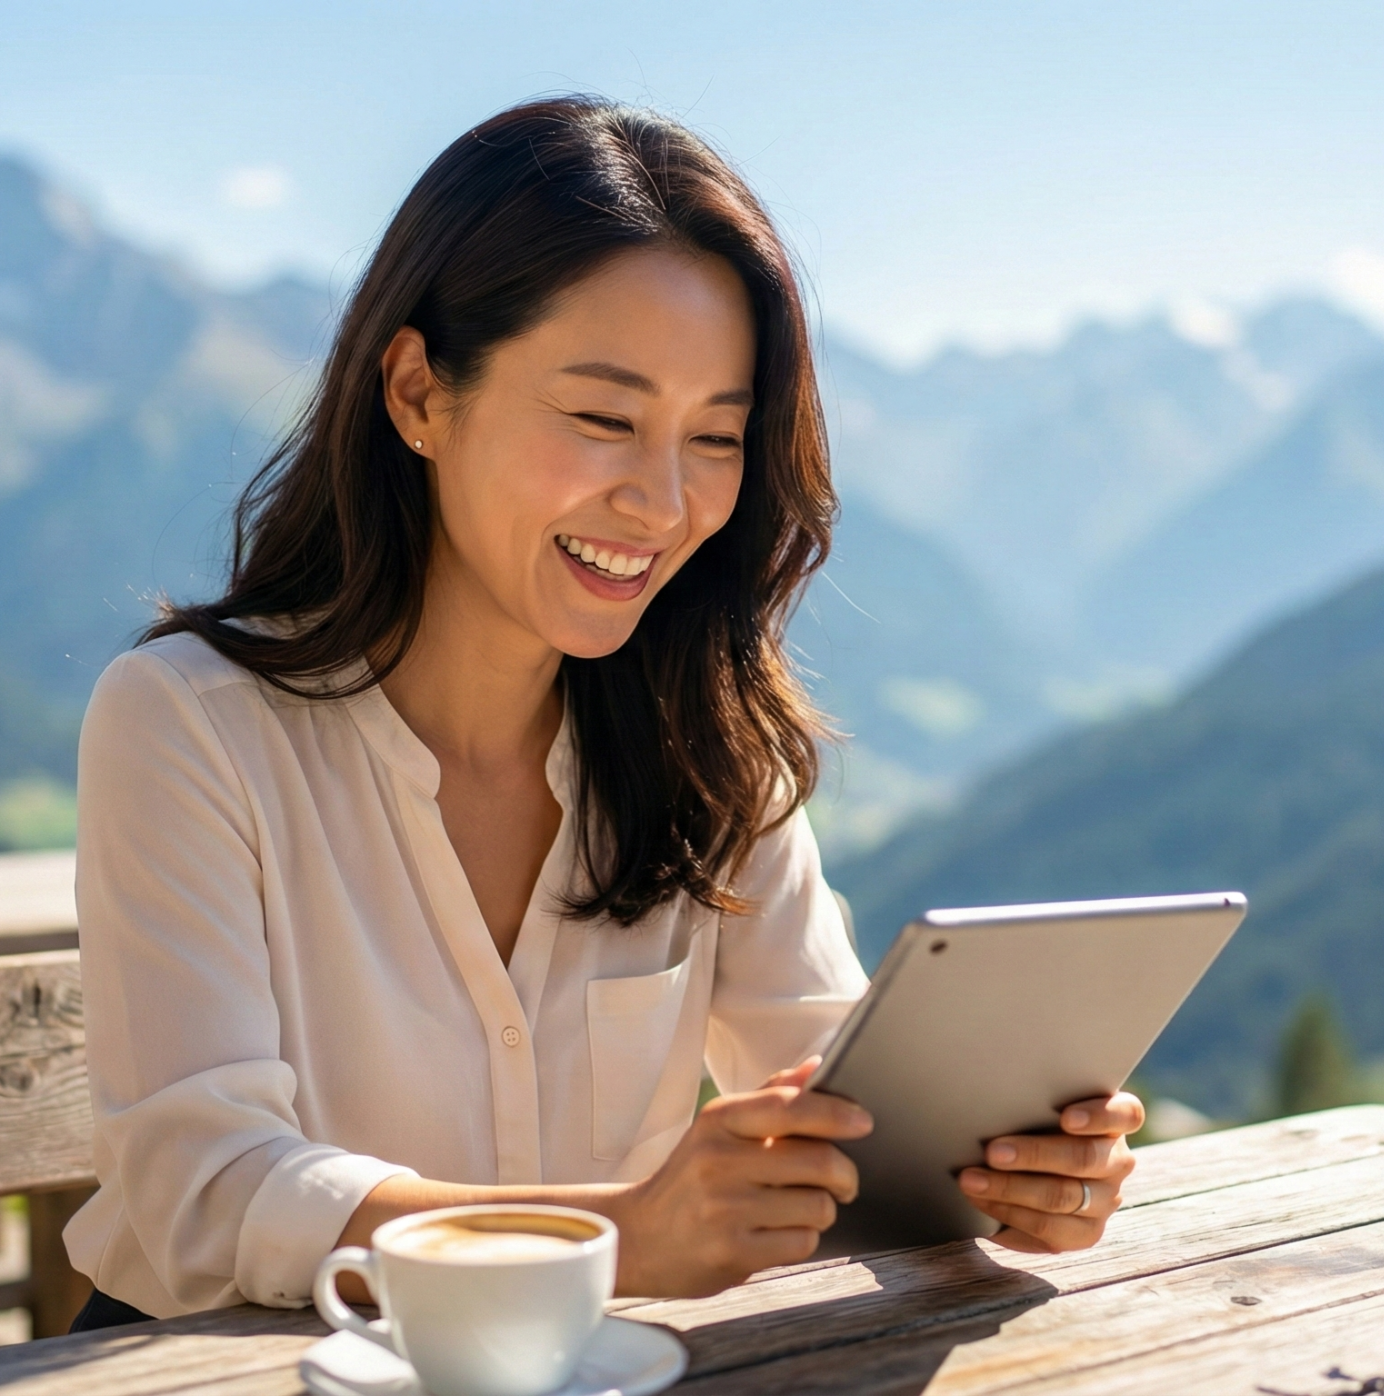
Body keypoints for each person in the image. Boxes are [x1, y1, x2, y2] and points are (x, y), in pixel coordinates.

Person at [63, 96, 1143, 1326]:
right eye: (602, 418)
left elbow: (843, 1089)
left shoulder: (710, 748)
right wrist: (613, 1236)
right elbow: (200, 1189)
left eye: (717, 438)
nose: (664, 500)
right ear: (417, 393)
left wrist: (1005, 1166)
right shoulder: (188, 724)